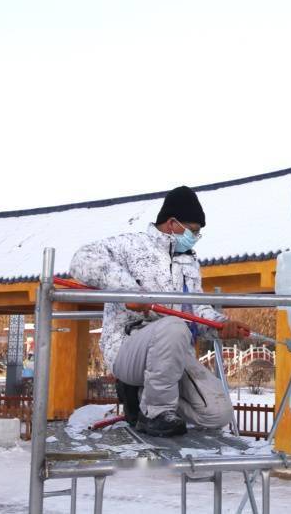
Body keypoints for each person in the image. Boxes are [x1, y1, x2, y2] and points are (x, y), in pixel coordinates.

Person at [70, 186, 250, 437]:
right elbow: (81, 258)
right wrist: (128, 291)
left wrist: (221, 325)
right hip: (128, 348)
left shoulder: (189, 261)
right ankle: (155, 413)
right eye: (193, 230)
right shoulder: (131, 245)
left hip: (172, 354)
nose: (196, 237)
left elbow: (197, 309)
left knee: (218, 413)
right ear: (172, 223)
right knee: (174, 327)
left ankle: (144, 398)